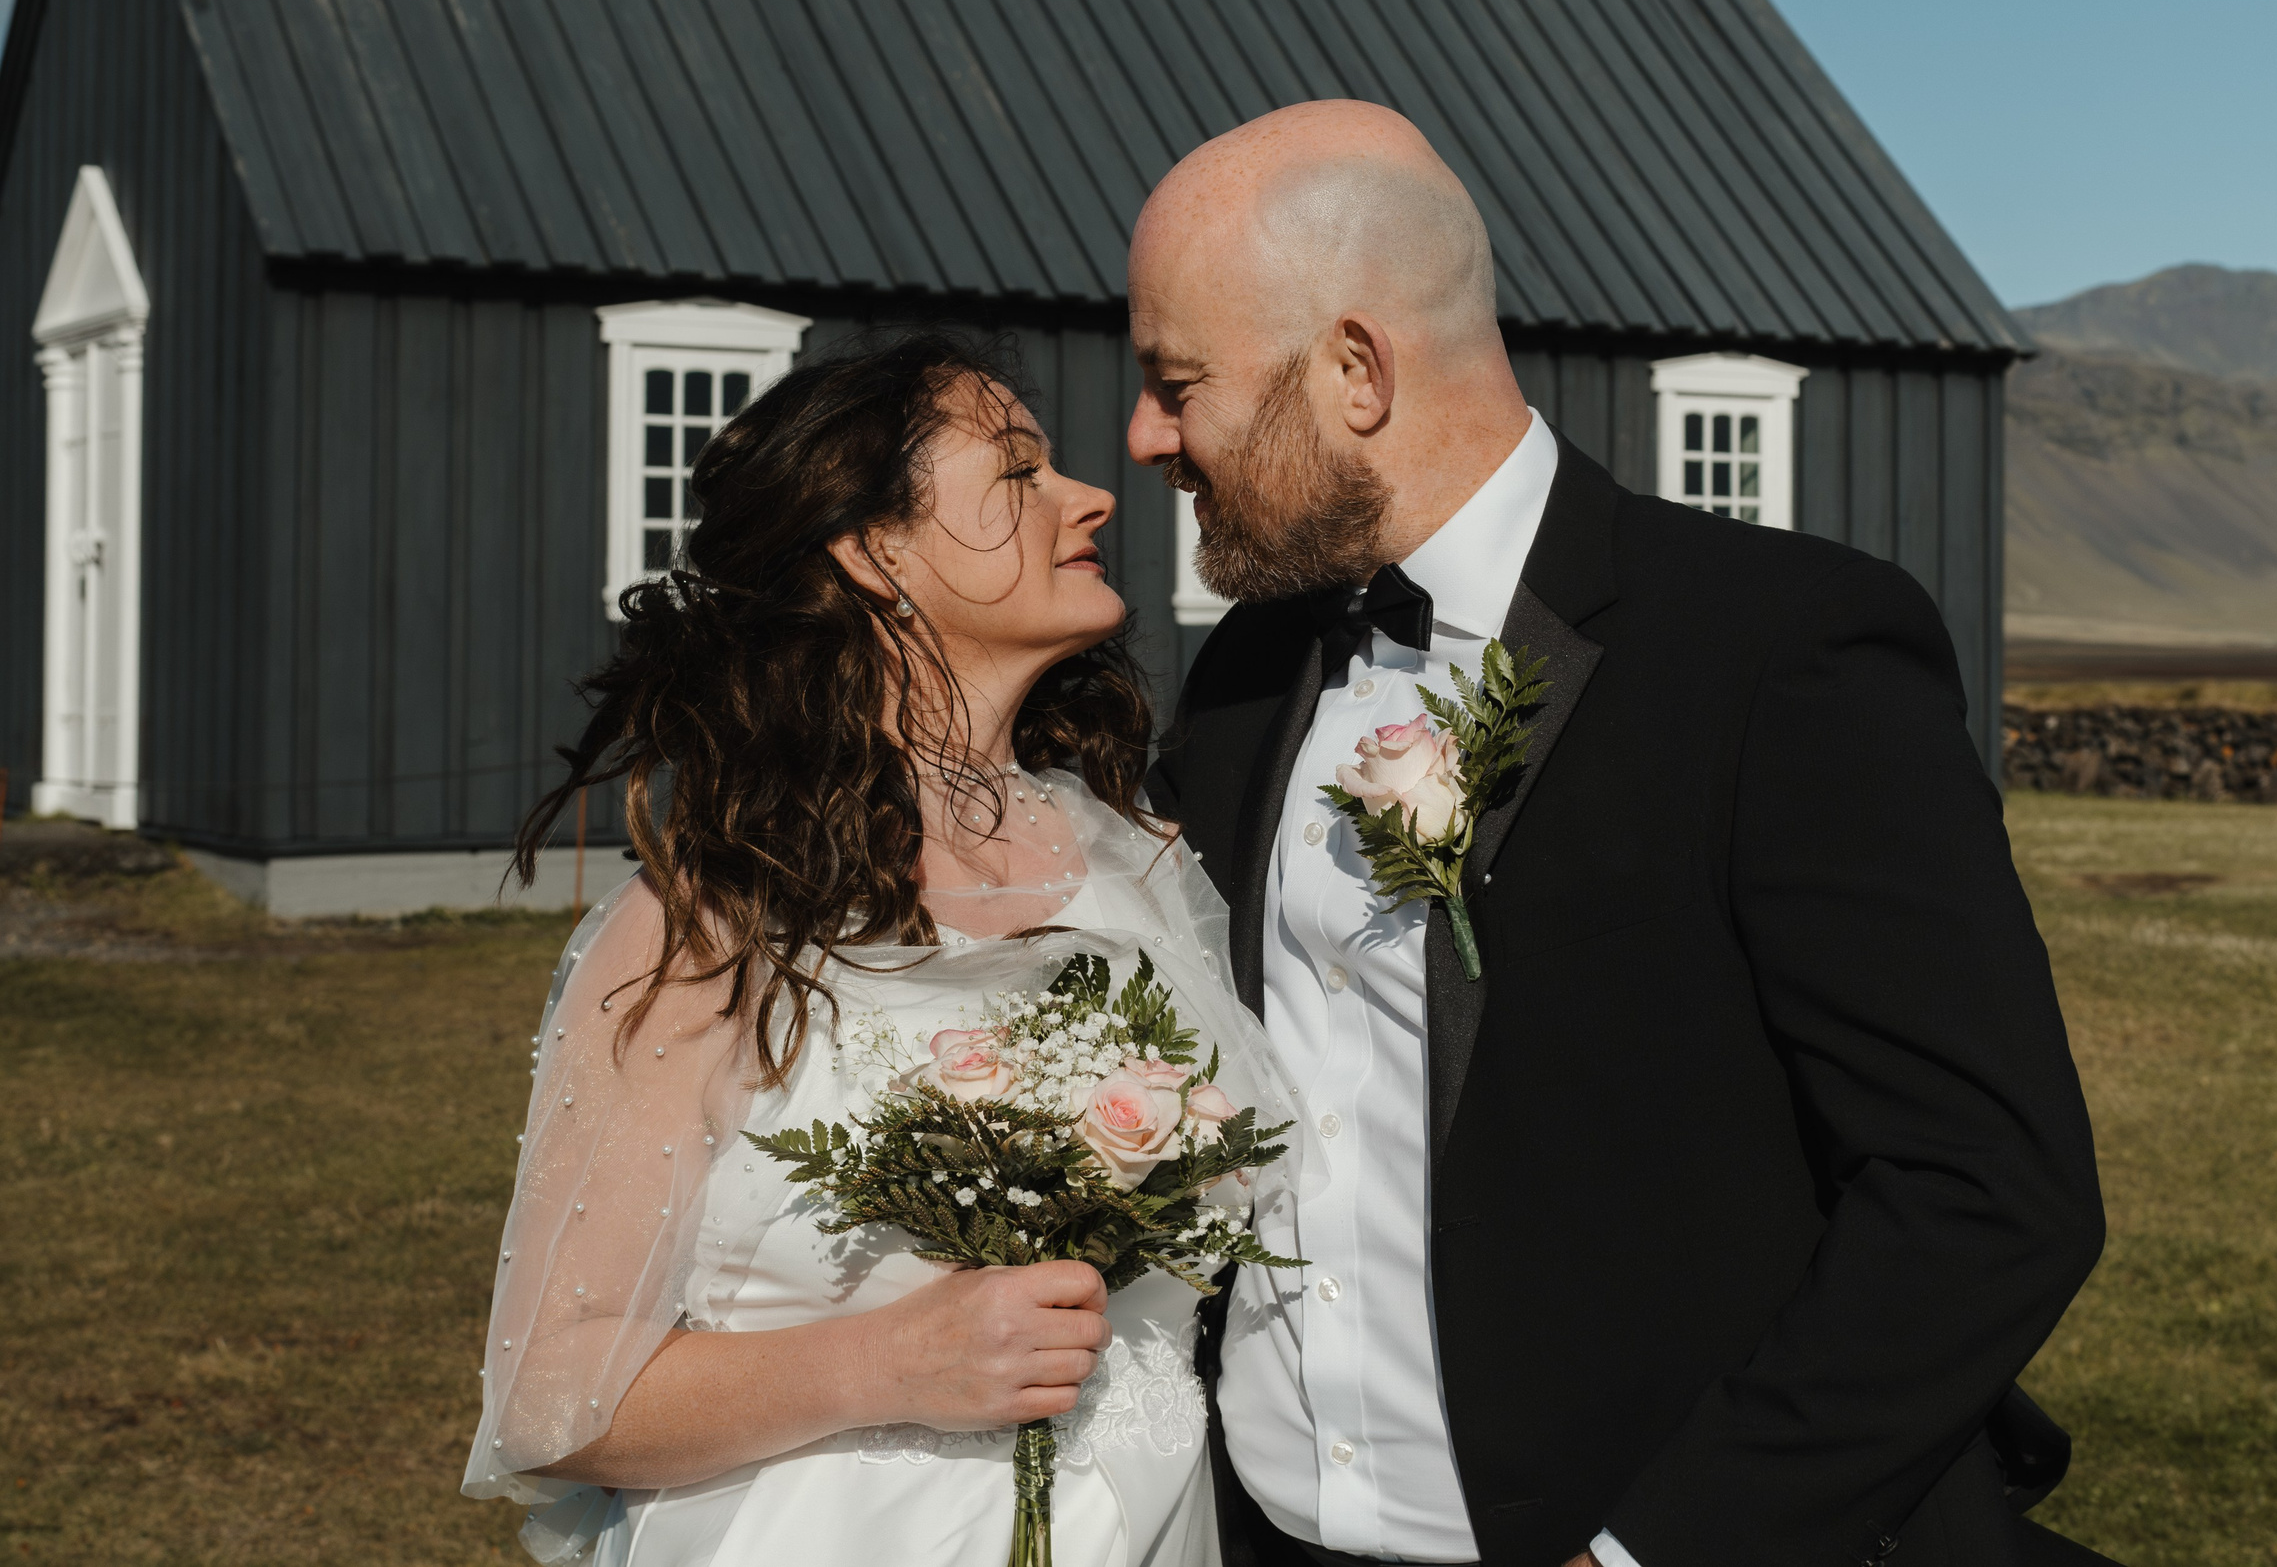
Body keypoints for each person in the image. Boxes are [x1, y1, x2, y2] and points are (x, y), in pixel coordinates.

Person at [1133, 101, 2114, 1567]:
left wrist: (1658, 1550)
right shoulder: (1242, 681)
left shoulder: (1783, 652)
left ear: (1355, 369)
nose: (1146, 436)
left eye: (1176, 382)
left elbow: (1988, 1191)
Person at [463, 330, 1299, 1566]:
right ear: (872, 551)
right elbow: (551, 1398)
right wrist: (891, 1360)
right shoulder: (713, 924)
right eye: (1018, 472)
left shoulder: (1150, 869)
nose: (1088, 495)